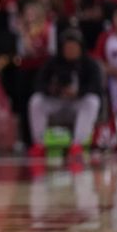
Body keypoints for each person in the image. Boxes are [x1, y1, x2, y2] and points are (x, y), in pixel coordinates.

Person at [28, 29, 102, 160]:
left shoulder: (90, 64)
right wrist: (53, 90)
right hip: (57, 103)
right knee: (36, 101)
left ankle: (77, 144)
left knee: (92, 101)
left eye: (74, 47)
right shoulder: (53, 62)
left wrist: (78, 92)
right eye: (67, 47)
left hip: (78, 103)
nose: (70, 50)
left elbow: (96, 87)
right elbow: (38, 83)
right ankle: (39, 144)